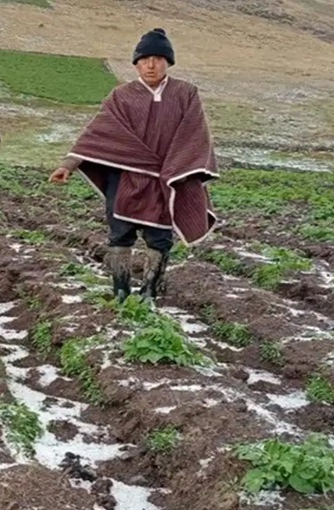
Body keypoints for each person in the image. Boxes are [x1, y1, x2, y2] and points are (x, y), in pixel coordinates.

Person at [49, 28, 219, 303]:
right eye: (144, 59)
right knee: (120, 234)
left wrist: (175, 169)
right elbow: (97, 133)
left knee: (160, 237)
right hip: (125, 176)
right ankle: (120, 291)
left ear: (168, 63)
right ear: (136, 64)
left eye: (158, 59)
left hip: (165, 177)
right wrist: (68, 164)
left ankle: (150, 293)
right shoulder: (122, 95)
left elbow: (194, 135)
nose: (150, 65)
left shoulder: (185, 94)